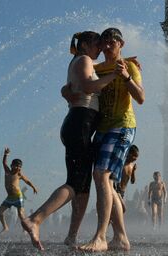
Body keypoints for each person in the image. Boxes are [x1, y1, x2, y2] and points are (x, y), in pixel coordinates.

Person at [21, 31, 117, 251]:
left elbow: (77, 84)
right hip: (80, 124)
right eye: (96, 44)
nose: (100, 48)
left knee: (83, 187)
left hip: (80, 125)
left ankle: (71, 236)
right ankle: (35, 219)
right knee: (75, 183)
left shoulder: (83, 61)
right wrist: (115, 77)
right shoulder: (83, 59)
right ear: (84, 44)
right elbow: (88, 87)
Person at [79, 27, 144, 252]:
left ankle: (100, 237)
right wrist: (64, 89)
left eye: (112, 43)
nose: (107, 47)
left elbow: (141, 97)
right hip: (102, 129)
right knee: (107, 183)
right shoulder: (97, 67)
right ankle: (121, 238)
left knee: (101, 175)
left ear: (121, 44)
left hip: (122, 126)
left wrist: (126, 75)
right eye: (103, 43)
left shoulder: (130, 66)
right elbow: (81, 74)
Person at [0, 147, 38, 233]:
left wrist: (33, 187)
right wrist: (6, 154)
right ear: (11, 166)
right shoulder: (7, 171)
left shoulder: (19, 174)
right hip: (9, 197)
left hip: (18, 197)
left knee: (21, 214)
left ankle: (26, 229)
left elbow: (27, 181)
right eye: (16, 166)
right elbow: (4, 163)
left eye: (19, 167)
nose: (18, 168)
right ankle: (5, 227)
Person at [115, 145, 139, 212]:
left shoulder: (132, 166)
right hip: (117, 190)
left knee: (118, 211)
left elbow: (132, 181)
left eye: (137, 157)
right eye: (134, 156)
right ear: (128, 154)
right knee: (123, 209)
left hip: (123, 191)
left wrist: (133, 171)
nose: (135, 158)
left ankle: (109, 221)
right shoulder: (122, 163)